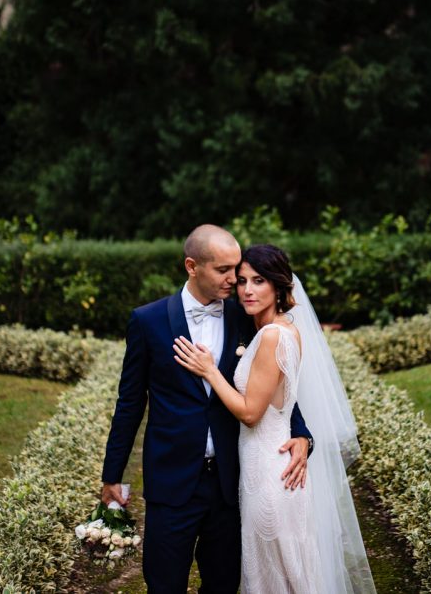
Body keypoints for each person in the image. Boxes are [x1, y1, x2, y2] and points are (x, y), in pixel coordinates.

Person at [100, 225, 314, 593]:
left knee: (223, 585)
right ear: (192, 266)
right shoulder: (148, 321)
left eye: (237, 270)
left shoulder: (245, 315)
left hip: (232, 481)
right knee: (164, 585)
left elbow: (273, 382)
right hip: (171, 481)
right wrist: (111, 475)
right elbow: (130, 403)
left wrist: (302, 435)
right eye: (224, 270)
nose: (235, 280)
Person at [173, 244, 376, 594]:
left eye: (259, 281)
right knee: (287, 572)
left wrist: (209, 371)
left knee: (277, 575)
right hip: (267, 465)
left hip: (270, 472)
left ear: (278, 285)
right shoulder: (280, 329)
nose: (247, 290)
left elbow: (251, 413)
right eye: (242, 281)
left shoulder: (272, 335)